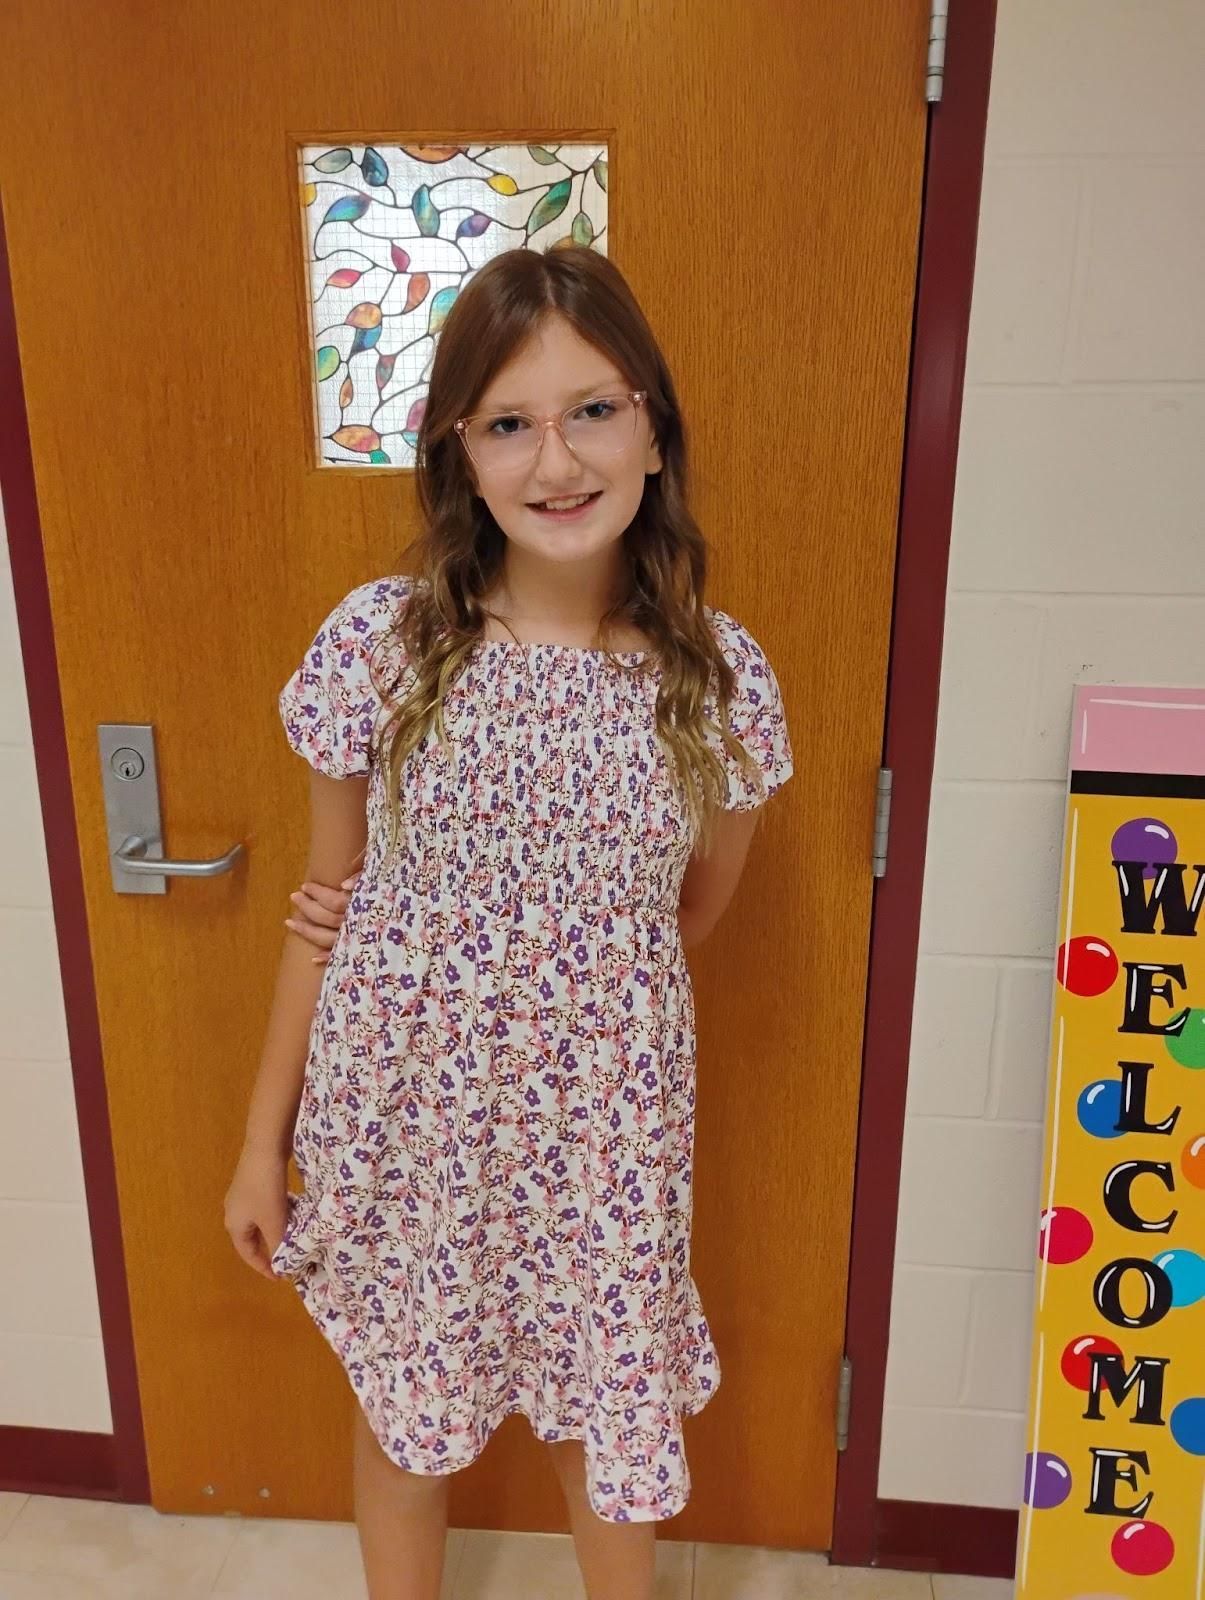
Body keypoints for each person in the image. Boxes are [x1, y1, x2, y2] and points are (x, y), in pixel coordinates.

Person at [224, 245, 793, 1600]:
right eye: (509, 423)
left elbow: (687, 914)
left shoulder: (713, 679)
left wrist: (561, 1008)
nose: (557, 461)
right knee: (404, 1418)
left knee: (604, 1415)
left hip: (601, 1133)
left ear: (653, 427)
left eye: (593, 409)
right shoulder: (387, 646)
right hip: (403, 1120)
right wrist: (262, 1146)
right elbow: (327, 909)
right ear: (458, 453)